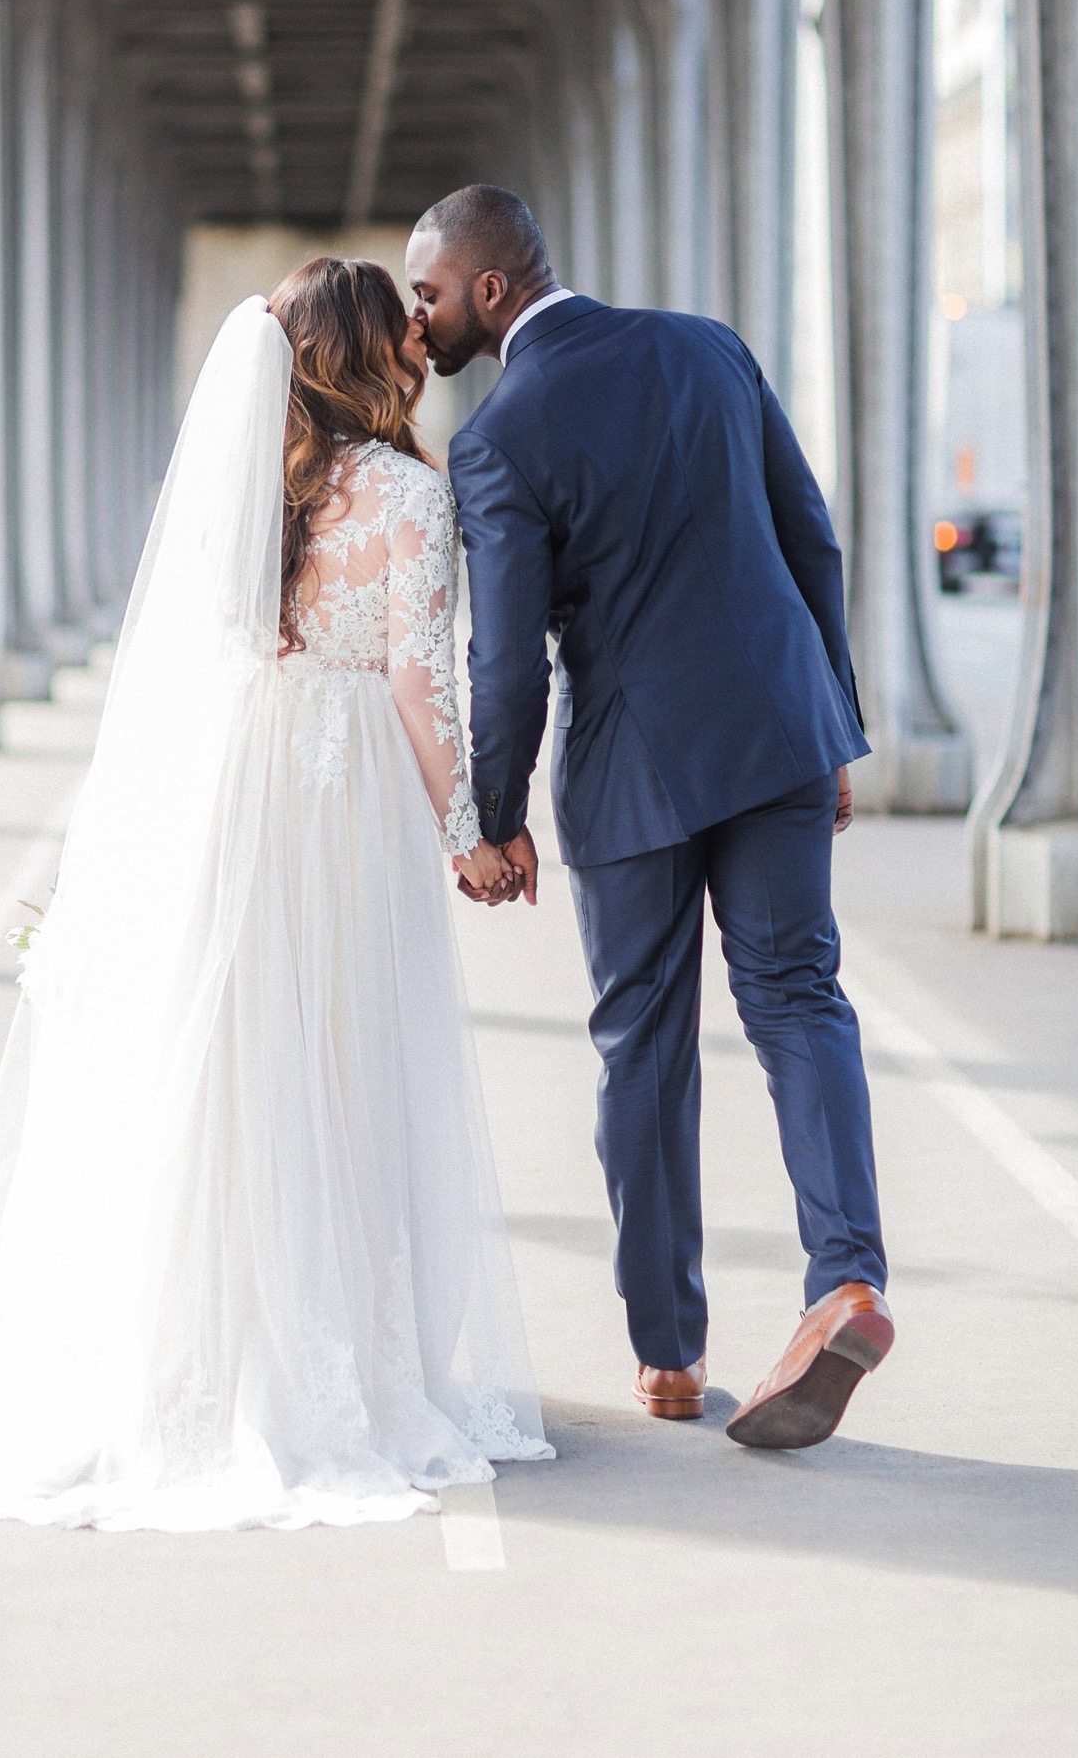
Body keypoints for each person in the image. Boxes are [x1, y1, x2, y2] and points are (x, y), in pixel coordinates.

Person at [0, 258, 552, 1531]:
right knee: (345, 1057)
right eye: (402, 330)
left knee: (241, 1060)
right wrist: (471, 833)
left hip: (242, 784)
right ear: (371, 353)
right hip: (346, 794)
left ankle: (216, 1347)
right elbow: (425, 692)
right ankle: (341, 1360)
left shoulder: (253, 493)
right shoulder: (409, 497)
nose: (423, 342)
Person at [406, 184, 893, 1450]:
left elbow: (505, 660)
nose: (421, 317)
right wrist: (828, 717)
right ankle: (845, 1277)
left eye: (431, 291)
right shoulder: (706, 346)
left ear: (492, 288)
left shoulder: (499, 436)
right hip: (777, 727)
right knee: (797, 995)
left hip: (636, 769)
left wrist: (492, 816)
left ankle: (669, 1355)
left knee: (642, 1039)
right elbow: (809, 537)